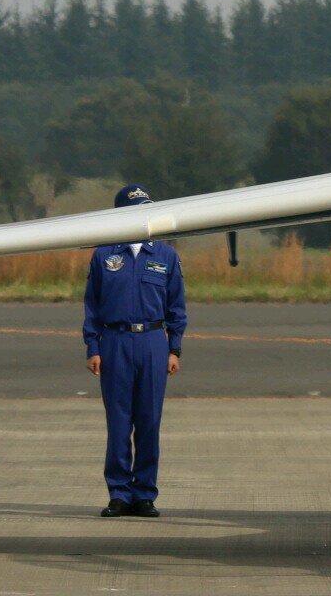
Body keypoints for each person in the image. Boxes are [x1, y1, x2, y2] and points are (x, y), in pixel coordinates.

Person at [83, 184, 187, 518]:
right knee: (118, 421)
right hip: (115, 341)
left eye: (146, 208)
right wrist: (93, 346)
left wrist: (175, 348)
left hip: (153, 343)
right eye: (135, 209)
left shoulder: (166, 256)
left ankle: (144, 493)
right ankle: (119, 493)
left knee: (148, 421)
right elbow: (92, 307)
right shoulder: (104, 255)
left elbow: (176, 306)